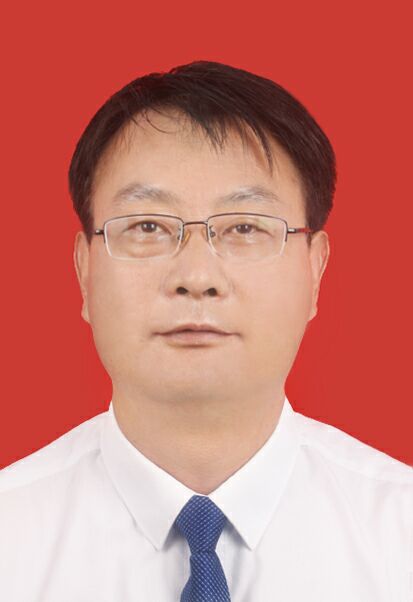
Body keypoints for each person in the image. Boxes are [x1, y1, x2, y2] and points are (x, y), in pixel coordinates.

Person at [0, 60, 411, 602]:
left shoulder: (400, 535)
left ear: (316, 271)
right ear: (84, 270)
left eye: (244, 227)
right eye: (148, 226)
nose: (196, 277)